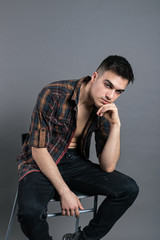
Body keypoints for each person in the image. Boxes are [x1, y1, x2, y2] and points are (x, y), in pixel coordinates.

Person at [17, 55, 139, 240]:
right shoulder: (54, 93)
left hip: (74, 162)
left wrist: (116, 126)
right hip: (40, 161)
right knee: (30, 213)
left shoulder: (104, 108)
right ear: (95, 76)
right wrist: (65, 191)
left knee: (128, 189)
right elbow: (38, 149)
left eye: (118, 91)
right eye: (108, 85)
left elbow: (108, 166)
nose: (110, 96)